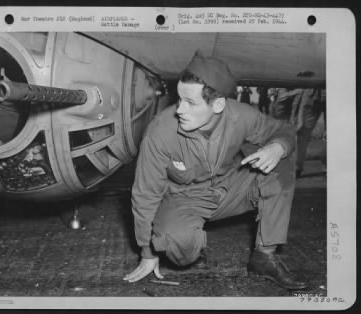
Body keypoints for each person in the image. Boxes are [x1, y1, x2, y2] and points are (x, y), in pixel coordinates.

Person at [123, 50, 308, 290]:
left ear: (219, 104)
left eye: (190, 103)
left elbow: (283, 130)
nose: (180, 110)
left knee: (281, 156)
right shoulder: (160, 132)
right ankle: (193, 245)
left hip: (229, 189)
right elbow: (145, 194)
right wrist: (147, 252)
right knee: (179, 244)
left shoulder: (241, 116)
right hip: (183, 199)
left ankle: (265, 256)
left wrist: (276, 147)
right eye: (180, 99)